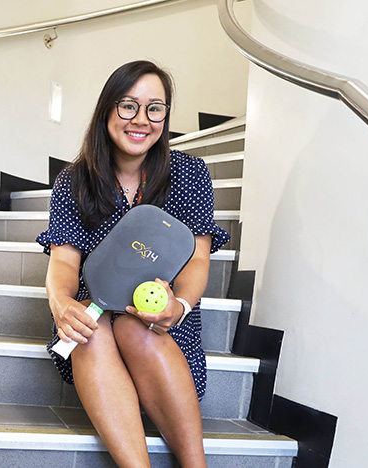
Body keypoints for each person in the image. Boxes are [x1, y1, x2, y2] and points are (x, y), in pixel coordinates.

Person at [36, 60, 230, 467]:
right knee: (94, 328)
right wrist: (60, 304)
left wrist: (179, 307)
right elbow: (65, 261)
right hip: (97, 317)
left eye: (154, 108)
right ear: (107, 109)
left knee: (135, 325)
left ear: (165, 115)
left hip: (164, 323)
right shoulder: (74, 180)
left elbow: (197, 258)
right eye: (128, 106)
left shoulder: (189, 173)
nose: (141, 119)